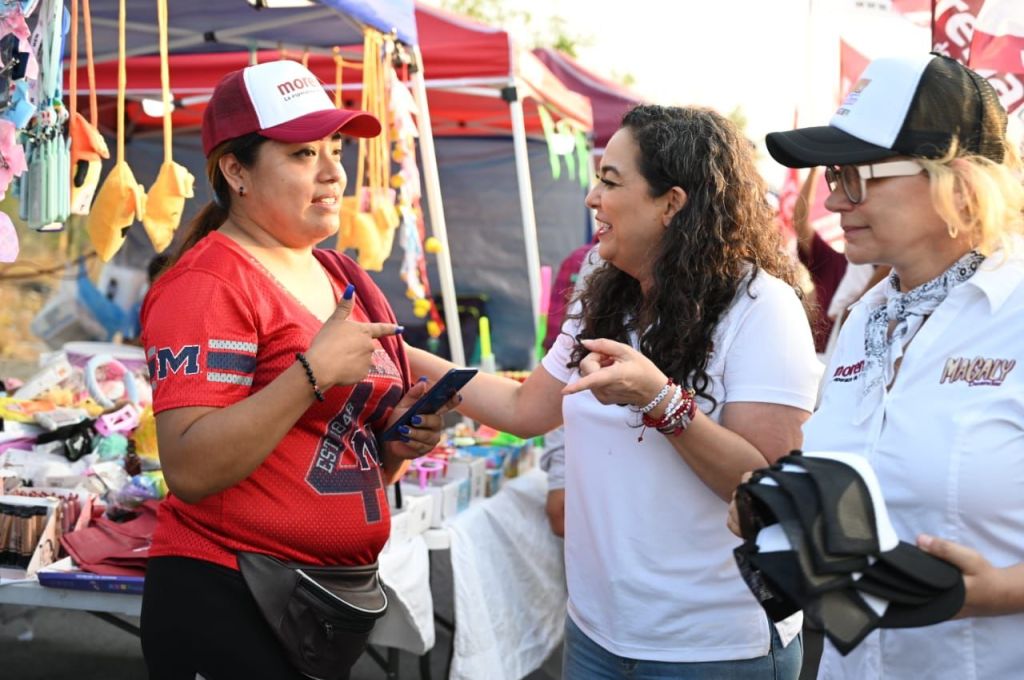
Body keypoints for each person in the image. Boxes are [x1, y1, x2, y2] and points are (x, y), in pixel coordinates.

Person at [410, 104, 822, 678]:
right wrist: (397, 354)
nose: (591, 199)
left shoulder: (760, 307)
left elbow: (766, 490)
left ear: (671, 204)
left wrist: (661, 402)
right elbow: (523, 410)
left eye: (610, 181)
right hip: (596, 633)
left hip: (712, 648)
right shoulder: (606, 298)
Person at [138, 60, 455, 680]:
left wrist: (394, 440)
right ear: (236, 171)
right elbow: (191, 468)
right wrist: (310, 373)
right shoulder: (206, 284)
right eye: (303, 154)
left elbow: (316, 448)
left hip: (320, 602)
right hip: (229, 596)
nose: (334, 172)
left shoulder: (342, 275)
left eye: (334, 150)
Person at [743, 52, 1024, 679]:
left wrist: (1001, 591)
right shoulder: (866, 316)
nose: (835, 199)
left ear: (955, 178)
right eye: (830, 177)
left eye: (853, 174)